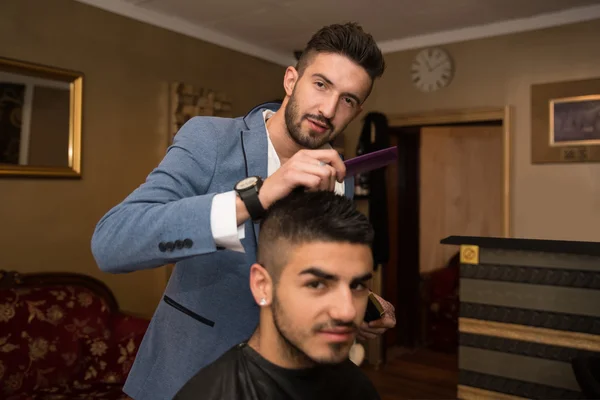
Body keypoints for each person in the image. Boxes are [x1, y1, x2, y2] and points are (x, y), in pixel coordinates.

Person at [91, 22, 395, 400]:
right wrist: (256, 198)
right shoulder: (210, 140)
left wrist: (359, 301)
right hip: (190, 377)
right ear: (291, 80)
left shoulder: (339, 175)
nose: (328, 109)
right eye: (321, 84)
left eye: (348, 99)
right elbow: (112, 242)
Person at [175, 190, 380, 400]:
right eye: (317, 284)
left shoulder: (358, 387)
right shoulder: (211, 393)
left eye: (357, 285)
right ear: (262, 285)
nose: (347, 312)